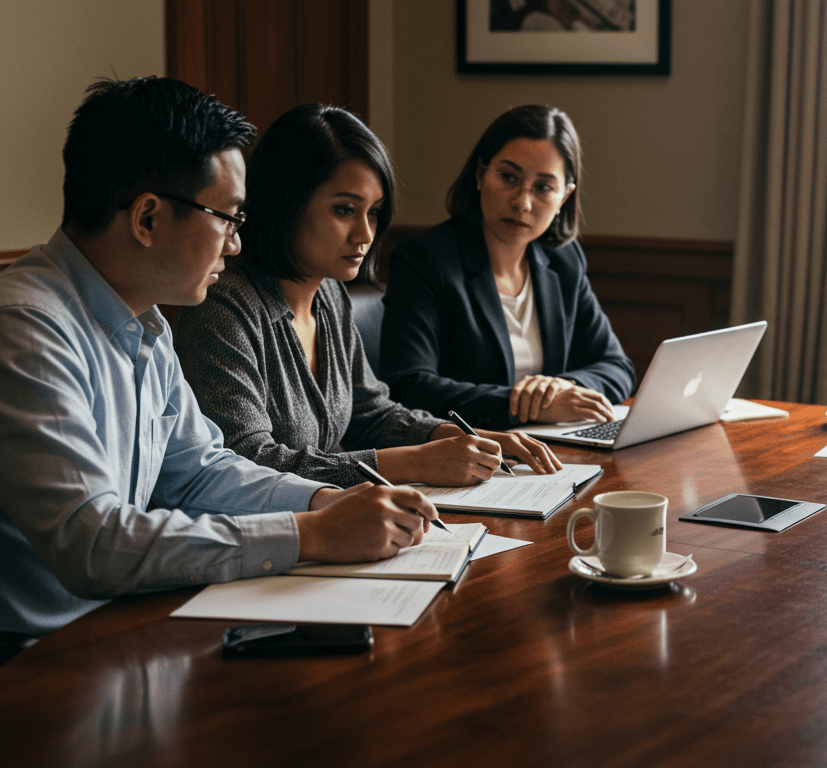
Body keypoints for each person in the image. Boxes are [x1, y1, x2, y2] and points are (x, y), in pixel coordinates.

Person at [0, 78, 441, 663]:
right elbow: (93, 543)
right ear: (148, 219)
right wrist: (309, 535)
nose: (235, 246)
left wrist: (324, 502)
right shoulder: (28, 327)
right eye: (228, 218)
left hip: (127, 624)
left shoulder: (145, 322)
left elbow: (199, 472)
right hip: (36, 658)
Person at [173, 104, 560, 489]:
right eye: (345, 210)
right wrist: (411, 462)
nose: (365, 234)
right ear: (285, 203)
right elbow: (248, 461)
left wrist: (459, 437)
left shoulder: (329, 294)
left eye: (374, 213)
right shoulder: (223, 304)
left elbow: (369, 411)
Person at [380, 105, 635, 431]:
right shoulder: (425, 259)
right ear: (480, 175)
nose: (522, 202)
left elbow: (618, 367)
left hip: (553, 447)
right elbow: (409, 386)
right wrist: (529, 406)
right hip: (468, 449)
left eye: (543, 187)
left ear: (564, 198)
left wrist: (562, 388)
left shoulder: (564, 260)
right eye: (508, 177)